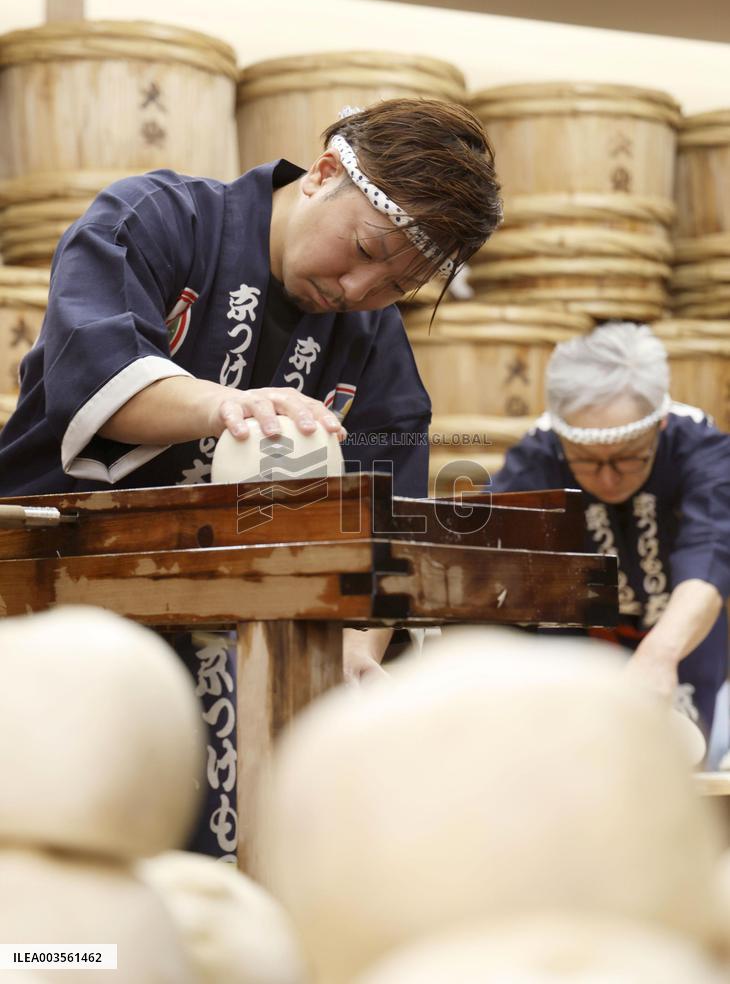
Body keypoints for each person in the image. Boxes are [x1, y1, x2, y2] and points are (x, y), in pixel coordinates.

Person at [0, 97, 503, 857]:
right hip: (55, 599)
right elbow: (95, 373)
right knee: (63, 860)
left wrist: (359, 649)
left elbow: (384, 508)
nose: (361, 292)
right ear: (324, 173)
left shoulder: (371, 337)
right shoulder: (155, 220)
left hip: (243, 638)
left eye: (397, 286)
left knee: (225, 891)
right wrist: (226, 405)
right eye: (365, 251)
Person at [491, 322, 730, 737]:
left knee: (681, 752)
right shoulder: (539, 454)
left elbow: (711, 550)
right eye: (585, 460)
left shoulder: (700, 447)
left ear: (659, 427)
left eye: (628, 458)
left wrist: (660, 655)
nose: (607, 478)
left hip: (677, 637)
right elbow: (476, 547)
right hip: (573, 646)